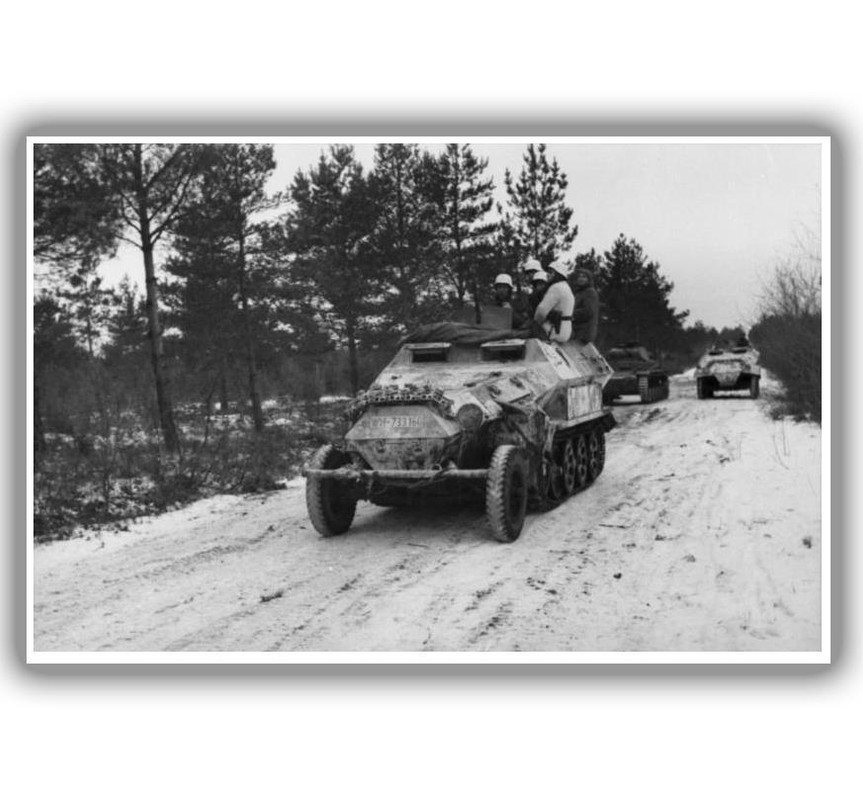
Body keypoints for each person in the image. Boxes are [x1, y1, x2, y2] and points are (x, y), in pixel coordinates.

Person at [533, 261, 575, 343]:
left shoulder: (556, 287)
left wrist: (534, 325)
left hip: (553, 332)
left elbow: (541, 311)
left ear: (558, 275)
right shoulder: (567, 288)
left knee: (516, 335)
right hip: (565, 332)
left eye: (551, 272)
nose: (547, 275)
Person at [569, 267, 600, 345]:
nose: (581, 279)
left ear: (589, 279)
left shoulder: (590, 292)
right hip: (577, 330)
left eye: (584, 277)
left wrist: (570, 313)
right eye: (579, 276)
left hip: (584, 332)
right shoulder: (579, 293)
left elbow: (588, 311)